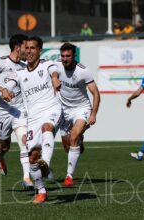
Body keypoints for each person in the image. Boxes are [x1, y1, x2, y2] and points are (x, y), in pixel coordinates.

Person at [3, 36, 62, 204]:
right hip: (33, 118)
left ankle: (46, 163)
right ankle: (42, 191)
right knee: (32, 158)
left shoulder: (47, 65)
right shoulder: (20, 73)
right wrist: (5, 91)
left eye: (33, 48)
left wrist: (55, 79)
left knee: (47, 127)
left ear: (39, 50)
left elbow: (54, 72)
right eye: (27, 48)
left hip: (52, 109)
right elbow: (9, 84)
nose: (29, 51)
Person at [0, 34, 33, 189]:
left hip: (19, 111)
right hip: (1, 112)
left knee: (24, 142)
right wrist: (2, 89)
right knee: (5, 146)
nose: (28, 50)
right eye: (25, 47)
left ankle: (26, 178)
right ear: (17, 48)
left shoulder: (25, 66)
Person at [56, 43, 100, 187]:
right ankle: (79, 142)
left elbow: (96, 94)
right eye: (62, 56)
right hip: (63, 110)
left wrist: (93, 114)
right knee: (68, 147)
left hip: (81, 108)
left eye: (68, 56)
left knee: (74, 136)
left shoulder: (83, 71)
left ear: (74, 56)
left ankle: (69, 176)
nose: (65, 59)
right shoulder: (55, 66)